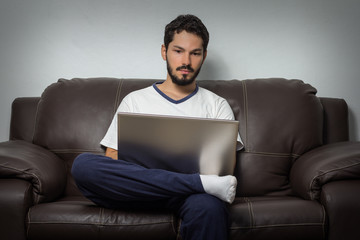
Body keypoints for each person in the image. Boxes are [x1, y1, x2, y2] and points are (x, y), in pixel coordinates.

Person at [72, 14, 239, 240]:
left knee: (209, 208)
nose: (186, 61)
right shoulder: (135, 100)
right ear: (164, 52)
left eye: (195, 53)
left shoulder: (217, 105)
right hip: (137, 191)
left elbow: (224, 172)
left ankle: (197, 185)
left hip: (191, 197)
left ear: (204, 56)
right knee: (83, 165)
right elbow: (113, 157)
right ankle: (196, 182)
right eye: (178, 51)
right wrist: (161, 179)